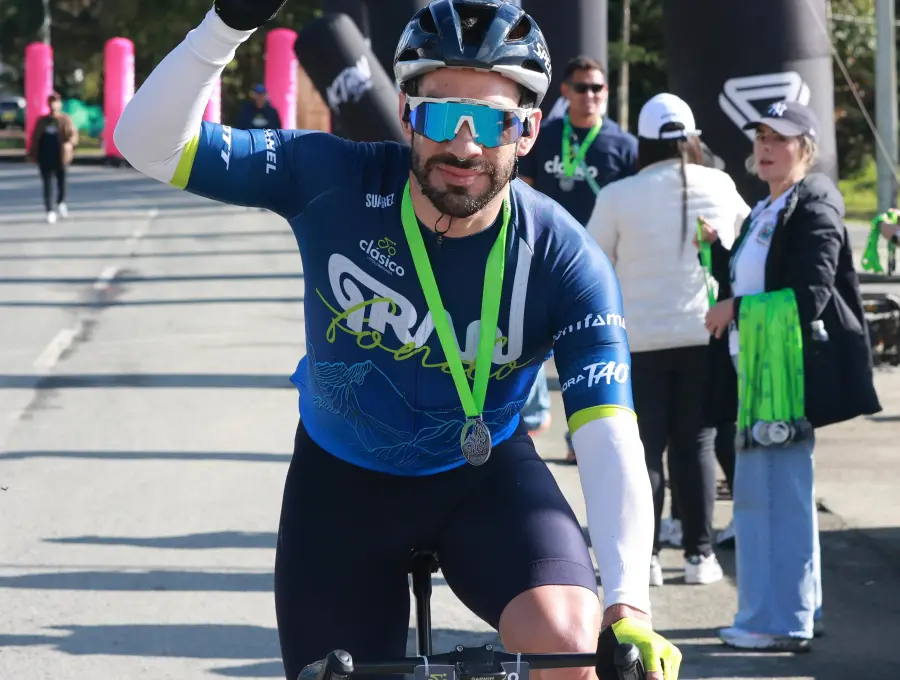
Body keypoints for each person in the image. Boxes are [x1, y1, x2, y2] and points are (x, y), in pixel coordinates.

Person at [113, 2, 681, 679]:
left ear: (529, 130)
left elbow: (609, 435)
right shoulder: (332, 179)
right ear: (408, 113)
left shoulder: (565, 259)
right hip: (341, 485)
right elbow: (146, 143)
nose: (464, 146)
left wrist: (629, 608)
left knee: (569, 643)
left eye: (493, 121)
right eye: (442, 115)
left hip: (484, 478)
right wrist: (224, 29)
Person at [697, 100, 881, 651]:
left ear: (805, 147)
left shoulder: (816, 202)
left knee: (772, 500)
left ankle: (779, 622)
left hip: (781, 373)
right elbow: (759, 275)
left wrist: (736, 310)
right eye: (761, 137)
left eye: (779, 138)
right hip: (757, 369)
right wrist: (719, 251)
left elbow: (812, 295)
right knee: (769, 496)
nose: (766, 147)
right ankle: (799, 611)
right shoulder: (767, 206)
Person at [585, 93, 749, 588]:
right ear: (693, 138)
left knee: (644, 450)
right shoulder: (720, 184)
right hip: (705, 335)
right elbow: (745, 246)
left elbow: (592, 262)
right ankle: (700, 557)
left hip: (637, 343)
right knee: (696, 446)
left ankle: (647, 559)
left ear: (644, 142)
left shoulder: (618, 195)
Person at [519, 55, 638, 460]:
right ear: (565, 91)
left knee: (586, 355)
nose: (591, 95)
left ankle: (580, 438)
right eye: (582, 87)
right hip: (546, 259)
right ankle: (528, 419)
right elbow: (524, 192)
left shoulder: (623, 145)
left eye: (598, 88)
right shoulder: (547, 135)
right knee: (527, 340)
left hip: (599, 268)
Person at [27, 92, 78, 224]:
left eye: (56, 102)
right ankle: (50, 210)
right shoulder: (42, 121)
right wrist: (32, 153)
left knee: (61, 182)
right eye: (51, 102)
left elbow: (73, 135)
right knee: (47, 184)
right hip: (45, 157)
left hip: (61, 156)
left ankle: (61, 202)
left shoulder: (65, 119)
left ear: (60, 104)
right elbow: (35, 138)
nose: (53, 104)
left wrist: (69, 144)